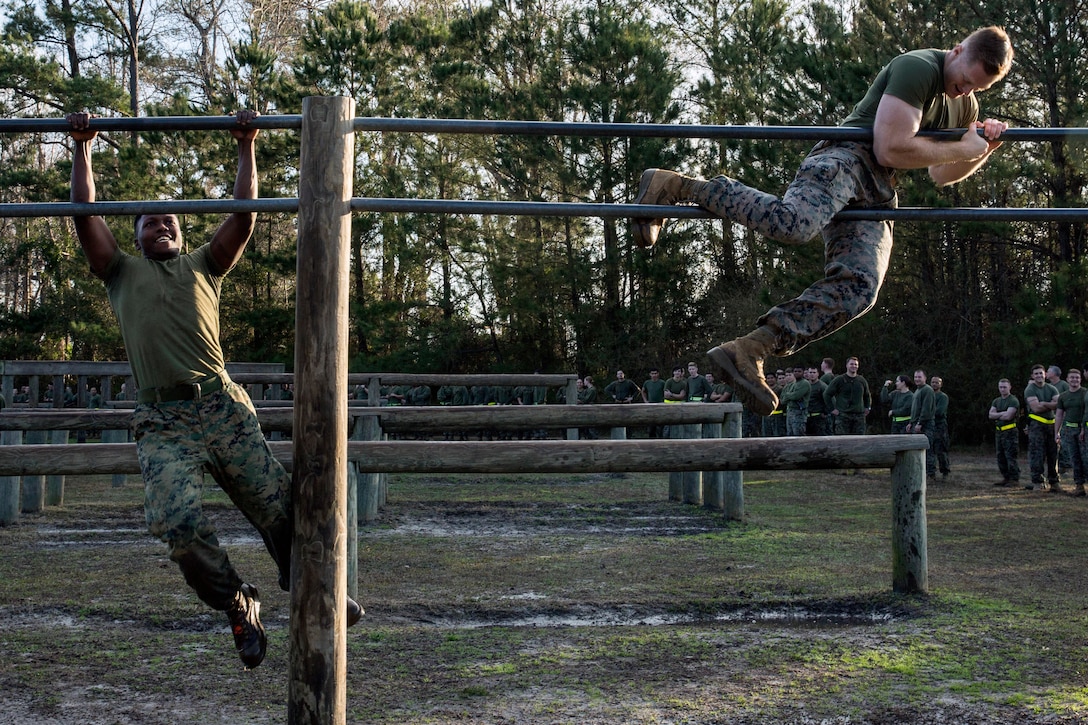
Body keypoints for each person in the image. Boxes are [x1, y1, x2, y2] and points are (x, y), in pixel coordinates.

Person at [66, 110, 361, 671]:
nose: (163, 226)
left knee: (279, 507)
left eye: (171, 220)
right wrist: (82, 149)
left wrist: (246, 144)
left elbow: (243, 216)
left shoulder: (204, 266)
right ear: (134, 235)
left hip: (221, 405)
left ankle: (312, 587)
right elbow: (84, 216)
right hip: (163, 421)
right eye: (150, 222)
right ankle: (236, 604)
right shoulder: (119, 273)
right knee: (177, 525)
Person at [631, 27, 1014, 417]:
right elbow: (889, 146)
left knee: (861, 288)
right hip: (846, 157)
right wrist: (964, 146)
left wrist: (982, 150)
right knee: (794, 224)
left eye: (976, 90)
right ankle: (678, 186)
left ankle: (752, 348)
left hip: (879, 187)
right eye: (965, 80)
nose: (965, 92)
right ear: (957, 50)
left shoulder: (965, 108)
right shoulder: (918, 67)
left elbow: (941, 174)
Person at [1024, 364, 1060, 492]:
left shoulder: (1051, 388)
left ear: (1045, 374)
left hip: (1052, 424)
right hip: (1036, 425)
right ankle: (1037, 482)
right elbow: (1036, 408)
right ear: (1032, 376)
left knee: (1053, 454)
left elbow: (1058, 404)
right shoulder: (1030, 389)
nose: (1039, 376)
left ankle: (1054, 482)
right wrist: (1050, 404)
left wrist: (1044, 403)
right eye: (1036, 374)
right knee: (1037, 454)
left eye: (1041, 373)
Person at [1054, 369, 1088, 497]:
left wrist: (1083, 429)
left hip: (1083, 430)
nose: (1075, 380)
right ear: (1067, 379)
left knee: (1085, 459)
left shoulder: (1085, 393)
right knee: (1074, 459)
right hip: (1069, 431)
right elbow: (1059, 415)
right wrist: (1056, 432)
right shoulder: (1063, 396)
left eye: (1077, 377)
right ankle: (1079, 486)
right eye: (1072, 378)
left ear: (1080, 379)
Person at [823, 356, 871, 434]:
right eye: (851, 364)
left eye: (855, 364)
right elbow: (827, 394)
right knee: (842, 441)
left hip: (859, 417)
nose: (854, 366)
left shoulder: (861, 380)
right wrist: (832, 409)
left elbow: (867, 395)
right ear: (847, 365)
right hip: (843, 416)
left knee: (859, 441)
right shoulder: (839, 380)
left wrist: (868, 407)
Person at [988, 379, 1020, 486]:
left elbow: (1008, 416)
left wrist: (998, 414)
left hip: (1010, 431)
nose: (1002, 389)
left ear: (1010, 387)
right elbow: (990, 415)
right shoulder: (996, 401)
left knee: (1010, 456)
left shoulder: (1013, 400)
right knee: (1000, 456)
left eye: (1004, 387)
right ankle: (1006, 477)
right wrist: (1002, 413)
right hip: (999, 432)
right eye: (1000, 387)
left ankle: (1014, 479)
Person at [906, 370, 937, 479]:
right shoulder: (917, 391)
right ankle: (920, 471)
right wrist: (911, 422)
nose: (917, 379)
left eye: (919, 377)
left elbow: (926, 409)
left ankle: (930, 473)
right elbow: (915, 409)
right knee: (917, 449)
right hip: (916, 423)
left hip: (925, 424)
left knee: (927, 449)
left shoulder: (927, 390)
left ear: (925, 378)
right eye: (915, 377)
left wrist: (920, 423)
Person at [1047, 365, 1072, 474]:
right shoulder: (1047, 386)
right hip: (1051, 418)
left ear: (1054, 373)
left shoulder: (1064, 385)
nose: (1046, 373)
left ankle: (1065, 466)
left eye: (1048, 371)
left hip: (1064, 417)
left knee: (1063, 442)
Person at [931, 375, 951, 478]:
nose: (934, 384)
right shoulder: (928, 395)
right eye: (933, 382)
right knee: (929, 450)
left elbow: (939, 412)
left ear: (941, 384)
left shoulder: (943, 397)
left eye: (937, 382)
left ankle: (945, 471)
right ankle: (930, 472)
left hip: (940, 426)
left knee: (941, 450)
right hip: (930, 426)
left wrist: (927, 412)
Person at [781, 366, 811, 436]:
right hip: (790, 411)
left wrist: (788, 395)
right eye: (795, 371)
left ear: (803, 373)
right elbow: (783, 399)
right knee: (790, 434)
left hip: (799, 412)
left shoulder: (804, 383)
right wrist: (789, 395)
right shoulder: (791, 384)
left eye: (799, 371)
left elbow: (796, 396)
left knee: (798, 434)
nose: (797, 373)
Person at [641, 368, 667, 438]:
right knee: (651, 426)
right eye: (652, 374)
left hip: (660, 406)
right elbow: (643, 391)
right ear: (650, 374)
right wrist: (645, 401)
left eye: (655, 373)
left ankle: (660, 440)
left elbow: (666, 392)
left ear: (658, 374)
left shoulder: (662, 382)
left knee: (660, 426)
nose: (654, 375)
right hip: (650, 406)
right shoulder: (647, 383)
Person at [804, 365, 829, 436]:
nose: (812, 374)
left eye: (814, 372)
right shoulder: (805, 385)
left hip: (818, 417)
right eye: (810, 372)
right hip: (806, 417)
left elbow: (828, 399)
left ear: (818, 374)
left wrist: (826, 412)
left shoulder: (822, 386)